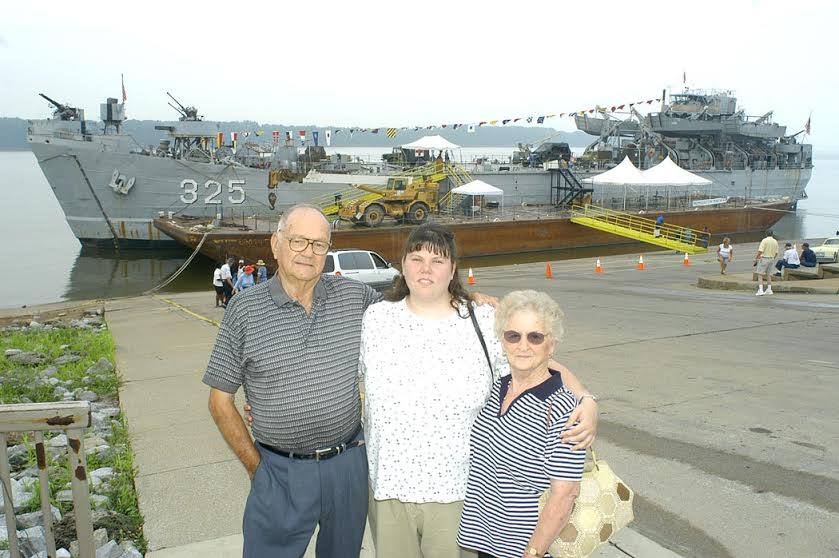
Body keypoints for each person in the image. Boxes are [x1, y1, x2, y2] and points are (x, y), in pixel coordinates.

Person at [361, 224, 598, 558]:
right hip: (387, 488)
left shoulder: (482, 320)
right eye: (416, 259)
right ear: (402, 264)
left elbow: (535, 360)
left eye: (437, 261)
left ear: (453, 269)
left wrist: (586, 399)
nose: (426, 269)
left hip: (457, 492)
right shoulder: (376, 319)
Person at [204, 204, 377, 558]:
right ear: (275, 244)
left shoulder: (355, 297)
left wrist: (464, 298)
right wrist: (257, 469)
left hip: (347, 467)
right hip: (279, 470)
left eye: (318, 244)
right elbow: (219, 400)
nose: (308, 252)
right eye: (298, 241)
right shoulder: (244, 310)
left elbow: (412, 311)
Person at [458, 290, 585, 558]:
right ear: (502, 341)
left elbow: (565, 494)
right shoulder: (497, 387)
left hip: (526, 551)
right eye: (513, 335)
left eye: (535, 337)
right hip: (487, 544)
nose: (523, 345)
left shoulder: (562, 409)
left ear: (552, 344)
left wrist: (533, 553)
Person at [754, 229, 779, 296]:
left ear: (766, 234)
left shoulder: (764, 240)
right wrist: (773, 258)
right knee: (768, 274)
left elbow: (760, 251)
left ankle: (761, 290)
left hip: (764, 258)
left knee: (760, 274)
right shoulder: (775, 241)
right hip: (771, 258)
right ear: (772, 234)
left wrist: (756, 258)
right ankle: (769, 289)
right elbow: (776, 252)